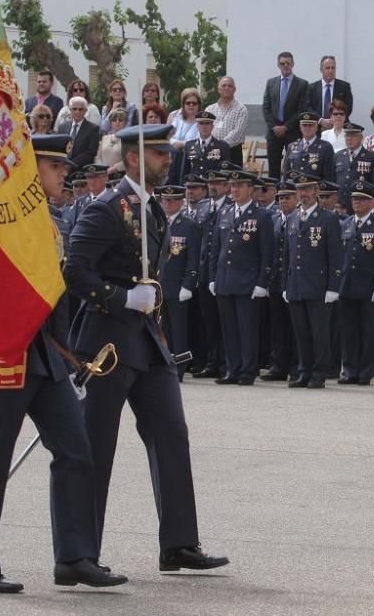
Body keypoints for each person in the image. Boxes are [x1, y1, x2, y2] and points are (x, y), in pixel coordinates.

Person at [0, 133, 127, 593]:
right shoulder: (2, 218)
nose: (64, 176)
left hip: (44, 354)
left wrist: (68, 353)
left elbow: (54, 296)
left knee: (75, 451)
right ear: (30, 170)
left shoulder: (50, 221)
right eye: (55, 168)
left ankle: (73, 557)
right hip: (3, 347)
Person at [65, 123, 229, 571]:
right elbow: (75, 270)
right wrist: (121, 299)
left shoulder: (150, 207)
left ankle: (178, 543)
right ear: (135, 158)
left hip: (149, 344)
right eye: (159, 153)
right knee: (97, 448)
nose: (168, 160)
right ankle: (81, 553)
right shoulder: (106, 207)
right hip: (107, 346)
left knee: (172, 436)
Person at [208, 166, 275, 385]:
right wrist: (212, 277)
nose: (234, 190)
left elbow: (267, 253)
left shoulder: (261, 216)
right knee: (229, 330)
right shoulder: (225, 212)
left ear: (251, 189)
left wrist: (262, 283)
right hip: (225, 280)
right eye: (232, 186)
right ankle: (232, 368)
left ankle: (247, 370)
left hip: (248, 281)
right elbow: (216, 248)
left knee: (247, 330)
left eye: (239, 186)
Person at [282, 171, 343, 388]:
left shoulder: (328, 219)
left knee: (320, 334)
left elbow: (336, 256)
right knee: (302, 333)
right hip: (296, 284)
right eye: (300, 190)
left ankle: (319, 372)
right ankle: (304, 370)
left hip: (318, 285)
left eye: (307, 189)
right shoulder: (292, 219)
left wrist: (333, 287)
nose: (303, 193)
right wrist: (285, 284)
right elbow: (287, 255)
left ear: (316, 191)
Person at [337, 180, 374, 386]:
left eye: (362, 199)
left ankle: (366, 371)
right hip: (347, 285)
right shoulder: (345, 224)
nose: (357, 202)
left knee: (370, 331)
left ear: (371, 202)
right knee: (349, 331)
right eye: (354, 199)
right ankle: (349, 369)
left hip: (369, 286)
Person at [158, 184, 201, 381]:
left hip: (178, 286)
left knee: (179, 330)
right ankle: (166, 365)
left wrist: (188, 283)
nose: (169, 203)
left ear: (181, 202)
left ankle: (180, 368)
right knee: (163, 329)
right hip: (160, 285)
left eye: (173, 200)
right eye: (165, 200)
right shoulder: (158, 222)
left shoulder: (189, 225)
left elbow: (193, 258)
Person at [193, 168, 233, 379]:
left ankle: (226, 362)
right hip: (204, 271)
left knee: (224, 321)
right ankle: (212, 360)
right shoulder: (202, 207)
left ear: (227, 186)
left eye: (217, 182)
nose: (212, 186)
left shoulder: (230, 207)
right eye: (210, 183)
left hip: (222, 272)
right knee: (208, 320)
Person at [261, 179, 297, 381]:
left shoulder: (300, 218)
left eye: (287, 197)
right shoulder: (273, 219)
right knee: (278, 326)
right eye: (281, 198)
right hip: (275, 281)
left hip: (294, 281)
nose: (283, 201)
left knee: (295, 327)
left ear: (296, 198)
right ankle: (279, 365)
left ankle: (295, 365)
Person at [262, 52, 310, 177]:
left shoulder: (302, 84)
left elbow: (302, 109)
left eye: (288, 63)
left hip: (293, 133)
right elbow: (266, 108)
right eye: (282, 63)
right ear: (278, 65)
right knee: (273, 170)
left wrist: (286, 127)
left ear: (293, 64)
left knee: (293, 168)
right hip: (273, 134)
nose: (285, 66)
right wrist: (274, 127)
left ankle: (291, 195)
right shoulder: (271, 83)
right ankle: (274, 196)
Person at [179, 110, 232, 186]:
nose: (204, 126)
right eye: (201, 123)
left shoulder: (222, 146)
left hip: (212, 187)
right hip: (194, 187)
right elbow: (184, 172)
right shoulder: (189, 145)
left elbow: (226, 172)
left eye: (207, 123)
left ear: (212, 126)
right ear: (197, 126)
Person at [206, 76, 248, 166]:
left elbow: (238, 133)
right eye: (223, 85)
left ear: (234, 89)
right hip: (211, 151)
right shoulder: (210, 109)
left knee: (232, 180)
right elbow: (204, 129)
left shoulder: (241, 109)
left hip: (232, 152)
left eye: (230, 86)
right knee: (211, 179)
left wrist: (219, 146)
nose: (226, 88)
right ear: (218, 89)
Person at [283, 112, 336, 182]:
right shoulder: (292, 147)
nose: (307, 128)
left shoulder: (325, 147)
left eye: (310, 125)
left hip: (315, 190)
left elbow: (328, 177)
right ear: (300, 127)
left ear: (316, 127)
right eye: (304, 125)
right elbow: (286, 175)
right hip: (295, 190)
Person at [334, 122, 374, 209]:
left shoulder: (371, 157)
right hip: (340, 204)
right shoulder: (338, 156)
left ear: (361, 137)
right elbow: (333, 180)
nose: (349, 139)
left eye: (353, 136)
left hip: (361, 202)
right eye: (347, 136)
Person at [308, 55, 354, 127]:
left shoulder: (345, 87)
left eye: (333, 68)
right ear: (321, 70)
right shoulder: (312, 88)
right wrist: (320, 120)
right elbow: (308, 107)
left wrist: (335, 119)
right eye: (327, 68)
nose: (330, 71)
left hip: (339, 126)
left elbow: (348, 108)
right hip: (317, 127)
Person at [66, 97, 101, 169]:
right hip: (63, 167)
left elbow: (91, 152)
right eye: (74, 109)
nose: (77, 112)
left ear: (85, 111)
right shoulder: (63, 127)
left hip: (81, 170)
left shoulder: (93, 129)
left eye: (80, 109)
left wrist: (70, 164)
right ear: (70, 110)